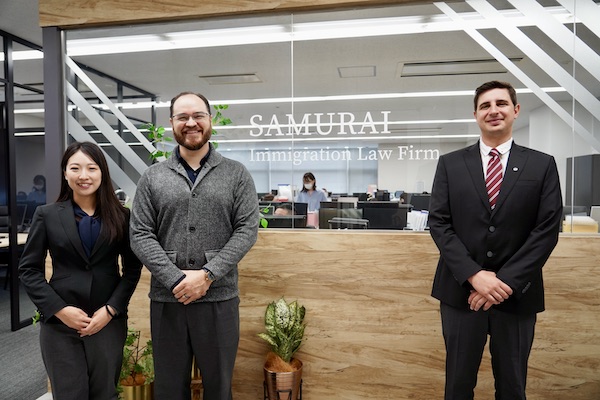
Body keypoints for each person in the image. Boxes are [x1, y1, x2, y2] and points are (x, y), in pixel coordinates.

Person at [428, 80, 563, 400]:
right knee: (458, 386)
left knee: (513, 387)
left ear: (516, 110)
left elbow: (546, 229)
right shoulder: (450, 164)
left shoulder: (541, 164)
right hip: (462, 294)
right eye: (485, 106)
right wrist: (475, 276)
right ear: (475, 114)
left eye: (501, 103)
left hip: (516, 296)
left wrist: (504, 282)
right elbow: (439, 223)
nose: (493, 111)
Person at [129, 91, 259, 400]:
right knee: (169, 389)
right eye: (182, 117)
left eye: (198, 115)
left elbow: (247, 230)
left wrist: (208, 274)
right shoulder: (152, 177)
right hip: (168, 300)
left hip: (219, 300)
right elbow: (140, 234)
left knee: (219, 388)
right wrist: (176, 279)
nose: (191, 123)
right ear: (171, 122)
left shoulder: (236, 174)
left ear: (210, 120)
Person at [18, 141, 142, 400]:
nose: (83, 175)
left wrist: (110, 310)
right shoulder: (47, 215)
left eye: (91, 168)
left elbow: (132, 269)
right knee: (68, 394)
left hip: (106, 322)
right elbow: (29, 269)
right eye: (75, 168)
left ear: (102, 172)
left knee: (105, 394)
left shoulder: (122, 217)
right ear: (65, 173)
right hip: (60, 324)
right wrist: (59, 310)